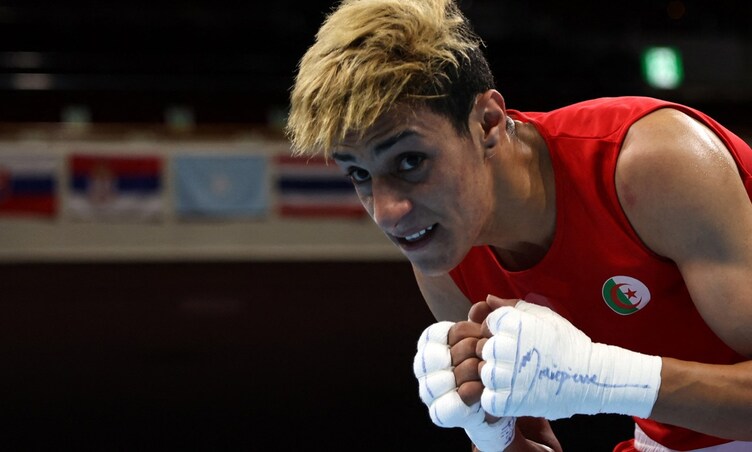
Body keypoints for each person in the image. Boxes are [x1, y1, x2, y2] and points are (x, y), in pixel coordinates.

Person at [285, 0, 752, 450]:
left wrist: (605, 376)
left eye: (410, 161)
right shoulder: (444, 256)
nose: (387, 212)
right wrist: (492, 437)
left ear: (487, 123)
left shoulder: (651, 165)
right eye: (359, 174)